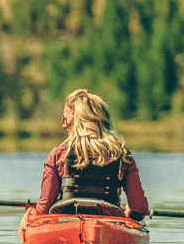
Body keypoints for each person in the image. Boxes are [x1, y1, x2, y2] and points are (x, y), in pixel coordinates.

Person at [35, 88, 149, 220]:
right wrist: (128, 212)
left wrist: (31, 213)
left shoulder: (58, 154)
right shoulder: (122, 154)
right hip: (108, 225)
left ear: (78, 120)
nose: (64, 125)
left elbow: (43, 209)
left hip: (67, 224)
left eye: (65, 119)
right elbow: (139, 209)